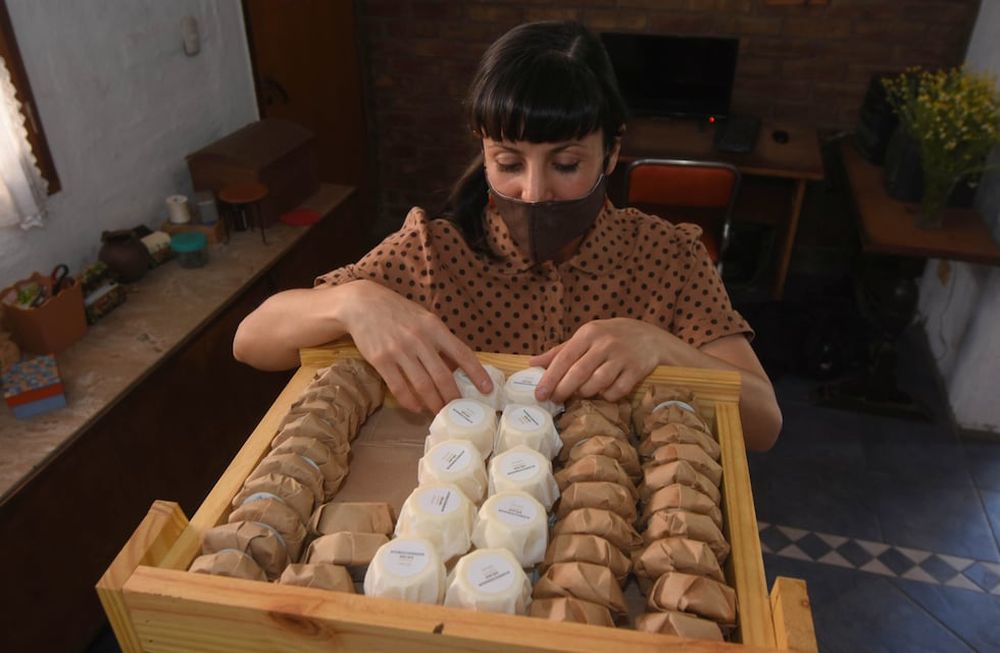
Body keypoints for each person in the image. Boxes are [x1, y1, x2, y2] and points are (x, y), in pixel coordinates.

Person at [234, 21, 781, 451]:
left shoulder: (667, 257)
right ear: (484, 151)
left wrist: (661, 348)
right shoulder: (433, 254)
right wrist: (352, 302)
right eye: (509, 163)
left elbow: (764, 423)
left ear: (611, 152)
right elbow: (251, 341)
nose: (534, 192)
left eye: (566, 164)